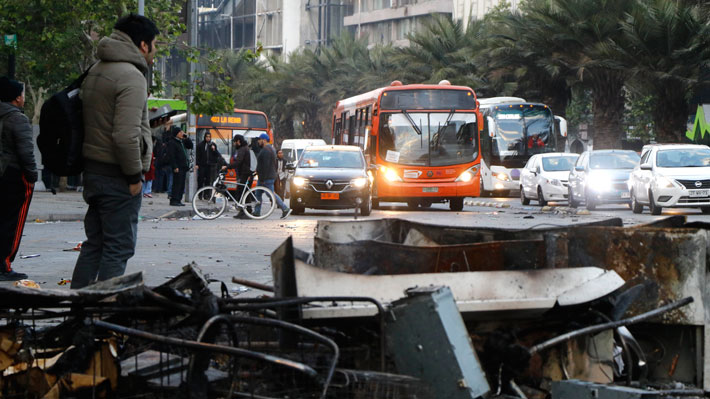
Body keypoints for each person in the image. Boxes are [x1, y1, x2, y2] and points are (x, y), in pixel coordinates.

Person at [71, 14, 158, 289]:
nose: (155, 52)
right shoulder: (131, 76)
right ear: (143, 45)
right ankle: (101, 313)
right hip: (117, 176)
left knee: (94, 245)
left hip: (94, 171)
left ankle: (77, 310)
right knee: (118, 248)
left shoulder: (97, 68)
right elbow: (124, 136)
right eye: (155, 45)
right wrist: (134, 176)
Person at [0, 76, 36, 281]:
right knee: (12, 222)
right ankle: (4, 264)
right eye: (21, 94)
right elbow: (26, 152)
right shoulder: (17, 118)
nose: (24, 98)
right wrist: (31, 176)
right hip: (13, 176)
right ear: (15, 98)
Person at [254, 133, 291, 218]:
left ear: (263, 140)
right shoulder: (270, 149)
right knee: (258, 193)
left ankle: (285, 208)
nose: (258, 142)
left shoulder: (266, 150)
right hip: (265, 176)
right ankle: (257, 211)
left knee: (270, 194)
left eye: (259, 140)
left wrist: (262, 178)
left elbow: (266, 165)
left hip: (266, 177)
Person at [225, 134, 252, 219]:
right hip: (243, 173)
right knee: (242, 192)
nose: (233, 144)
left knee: (243, 192)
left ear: (238, 142)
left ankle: (246, 211)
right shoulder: (242, 149)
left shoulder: (242, 150)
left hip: (245, 173)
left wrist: (227, 167)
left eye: (234, 142)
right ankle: (243, 211)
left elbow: (238, 162)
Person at [167, 126, 193, 206]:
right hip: (177, 166)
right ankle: (174, 200)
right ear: (176, 134)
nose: (182, 134)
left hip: (183, 166)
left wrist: (186, 137)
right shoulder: (172, 142)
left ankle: (178, 199)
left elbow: (190, 145)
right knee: (176, 184)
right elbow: (171, 155)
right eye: (180, 132)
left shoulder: (182, 141)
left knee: (181, 184)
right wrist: (175, 166)